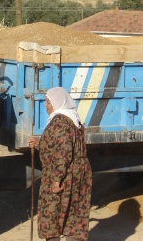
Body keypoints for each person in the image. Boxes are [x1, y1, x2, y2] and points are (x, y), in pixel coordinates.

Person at [28, 87, 92, 241]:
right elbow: (59, 144)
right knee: (74, 214)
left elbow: (63, 152)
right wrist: (39, 143)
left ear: (57, 102)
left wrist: (57, 180)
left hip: (65, 175)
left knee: (52, 215)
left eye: (48, 101)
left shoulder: (60, 122)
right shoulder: (72, 119)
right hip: (77, 173)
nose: (45, 105)